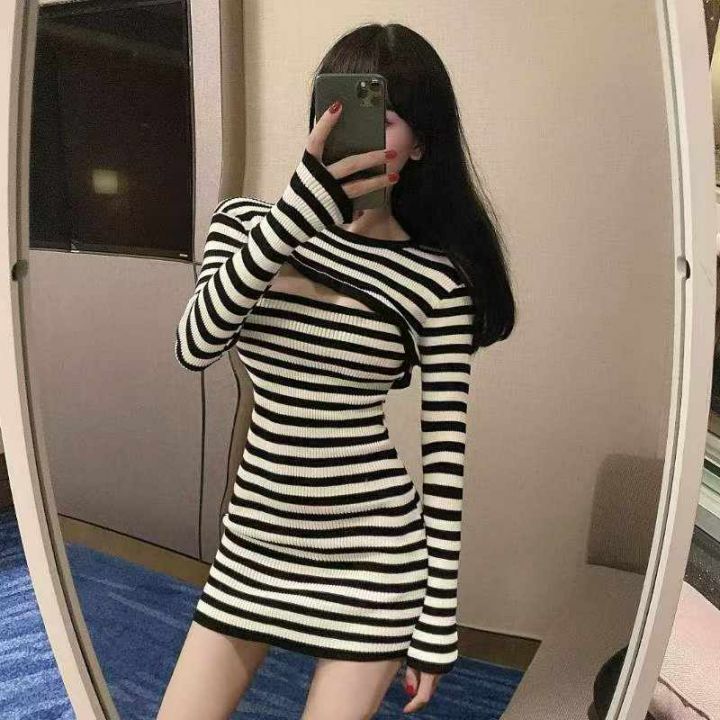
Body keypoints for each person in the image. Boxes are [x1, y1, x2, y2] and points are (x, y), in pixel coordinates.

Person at [161, 22, 515, 720]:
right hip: (255, 541)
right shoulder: (246, 226)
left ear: (422, 143)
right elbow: (194, 346)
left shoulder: (437, 280)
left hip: (372, 559)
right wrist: (294, 217)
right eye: (342, 107)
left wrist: (436, 624)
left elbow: (445, 459)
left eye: (385, 117)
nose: (358, 132)